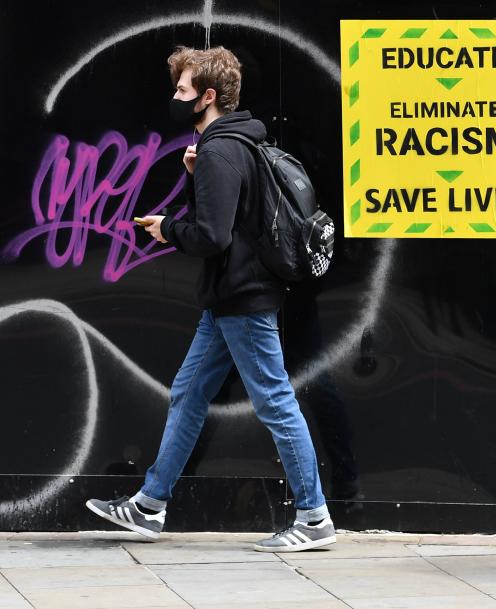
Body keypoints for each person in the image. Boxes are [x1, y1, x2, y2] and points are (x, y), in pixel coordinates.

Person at [85, 46, 336, 553]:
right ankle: (150, 506)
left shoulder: (222, 150)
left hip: (241, 298)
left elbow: (212, 236)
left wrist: (166, 230)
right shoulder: (231, 145)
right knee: (189, 394)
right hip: (228, 299)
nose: (174, 98)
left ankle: (313, 516)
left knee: (274, 400)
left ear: (209, 96)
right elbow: (232, 219)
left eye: (182, 90)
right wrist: (194, 178)